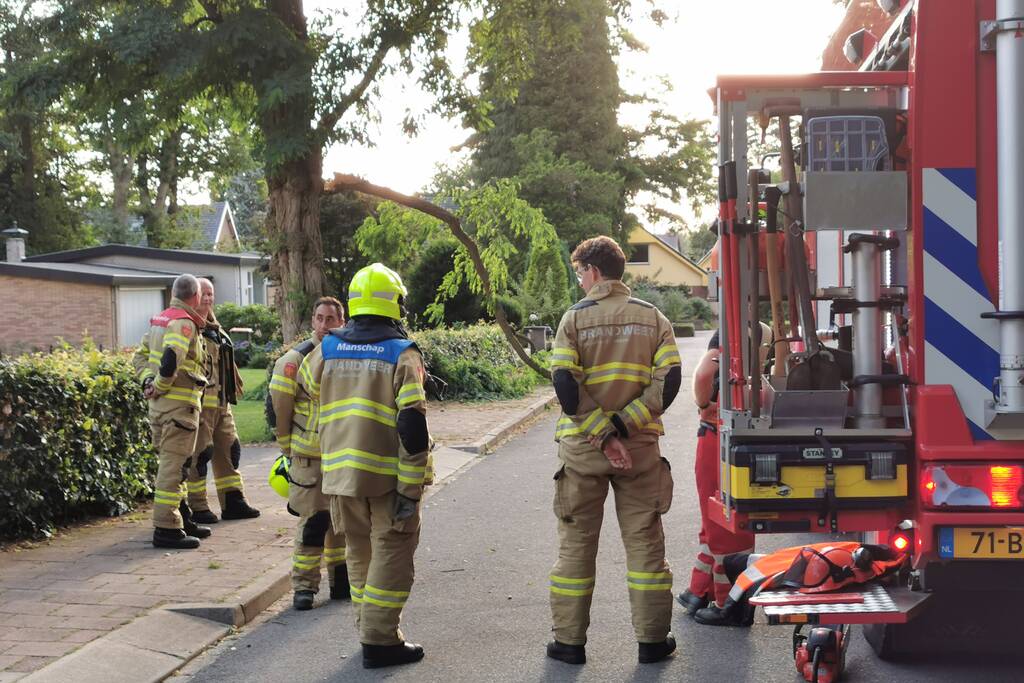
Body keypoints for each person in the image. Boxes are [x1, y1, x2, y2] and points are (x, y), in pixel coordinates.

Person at [546, 236, 682, 666]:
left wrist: (603, 436)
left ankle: (569, 645)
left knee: (575, 548)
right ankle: (653, 643)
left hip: (583, 454)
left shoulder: (574, 319)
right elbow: (670, 381)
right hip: (640, 453)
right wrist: (624, 429)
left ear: (593, 271)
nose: (580, 281)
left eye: (580, 272)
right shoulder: (653, 318)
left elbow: (565, 384)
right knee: (645, 548)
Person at [299, 264, 429, 669]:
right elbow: (411, 424)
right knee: (392, 553)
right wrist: (411, 487)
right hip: (387, 478)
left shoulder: (328, 347)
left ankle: (366, 629)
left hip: (339, 475)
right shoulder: (401, 353)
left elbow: (306, 384)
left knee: (358, 551)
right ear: (395, 303)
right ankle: (380, 640)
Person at [679, 324, 769, 626]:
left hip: (717, 438)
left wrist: (705, 406)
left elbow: (705, 372)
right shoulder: (755, 339)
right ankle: (701, 591)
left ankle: (727, 604)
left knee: (721, 525)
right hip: (732, 439)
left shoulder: (729, 337)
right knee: (718, 526)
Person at [269, 296, 349, 611]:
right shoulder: (294, 359)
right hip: (309, 455)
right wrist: (287, 446)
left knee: (341, 521)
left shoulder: (346, 355)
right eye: (319, 318)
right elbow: (280, 407)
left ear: (342, 322)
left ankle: (341, 582)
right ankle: (304, 588)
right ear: (313, 321)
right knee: (313, 522)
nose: (325, 324)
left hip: (342, 453)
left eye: (331, 318)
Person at [131, 274, 212, 549]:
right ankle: (166, 528)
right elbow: (171, 358)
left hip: (161, 409)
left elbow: (139, 356)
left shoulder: (160, 319)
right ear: (195, 297)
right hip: (178, 408)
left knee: (179, 465)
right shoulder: (184, 323)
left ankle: (183, 518)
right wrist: (160, 385)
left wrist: (147, 382)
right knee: (173, 468)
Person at [185, 278, 261, 524]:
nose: (207, 298)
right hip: (200, 406)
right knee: (200, 455)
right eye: (203, 294)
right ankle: (198, 506)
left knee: (230, 450)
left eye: (211, 294)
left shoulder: (216, 330)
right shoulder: (187, 328)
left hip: (222, 404)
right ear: (194, 296)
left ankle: (233, 502)